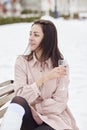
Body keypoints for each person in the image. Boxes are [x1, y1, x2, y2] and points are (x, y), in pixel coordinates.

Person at [1, 19, 79, 130]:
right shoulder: (22, 62)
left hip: (53, 119)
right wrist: (44, 79)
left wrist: (36, 107)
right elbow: (20, 95)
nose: (30, 38)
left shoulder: (60, 65)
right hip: (28, 117)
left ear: (47, 39)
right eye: (30, 34)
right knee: (18, 100)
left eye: (36, 35)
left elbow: (60, 102)